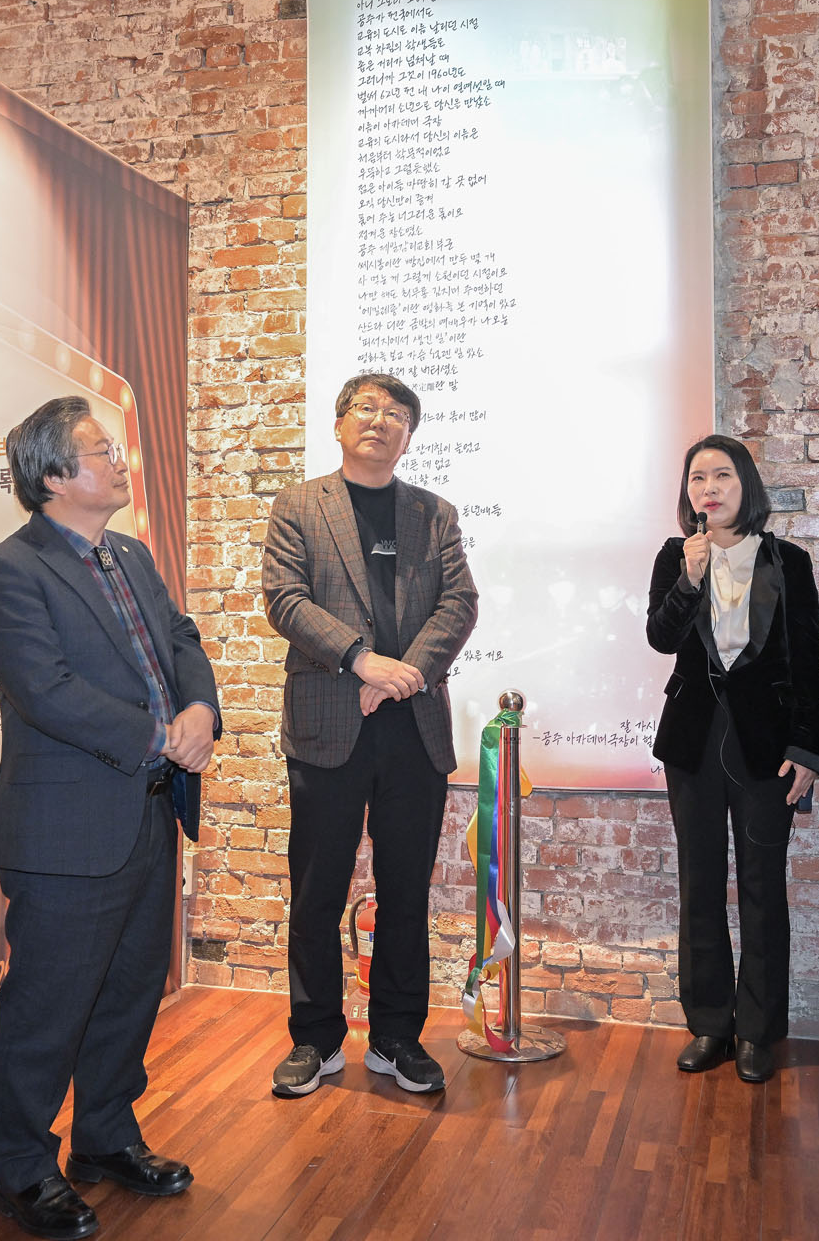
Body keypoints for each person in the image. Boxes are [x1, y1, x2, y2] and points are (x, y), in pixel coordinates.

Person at [0, 396, 220, 1241]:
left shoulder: (131, 555)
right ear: (52, 476)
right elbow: (46, 692)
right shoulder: (9, 572)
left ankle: (106, 1137)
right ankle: (21, 1169)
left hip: (149, 814)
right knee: (47, 1011)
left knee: (128, 995)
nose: (120, 462)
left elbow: (181, 638)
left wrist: (201, 710)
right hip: (65, 832)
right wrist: (161, 735)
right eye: (101, 451)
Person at [262, 372, 478, 1098]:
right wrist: (361, 659)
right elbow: (285, 599)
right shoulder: (299, 505)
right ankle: (316, 1039)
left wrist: (401, 675)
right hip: (328, 722)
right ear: (339, 424)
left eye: (396, 414)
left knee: (405, 890)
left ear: (408, 436)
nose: (380, 421)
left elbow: (459, 603)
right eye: (366, 408)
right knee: (317, 890)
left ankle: (395, 1037)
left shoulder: (433, 513)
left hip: (412, 726)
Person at [645, 434, 819, 1083]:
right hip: (693, 741)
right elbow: (660, 637)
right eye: (698, 478)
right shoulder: (675, 557)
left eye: (722, 475)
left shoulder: (788, 561)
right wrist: (689, 581)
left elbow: (808, 662)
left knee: (761, 886)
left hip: (766, 746)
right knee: (699, 883)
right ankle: (709, 1023)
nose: (709, 488)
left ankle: (757, 1030)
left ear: (745, 484)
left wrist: (808, 747)